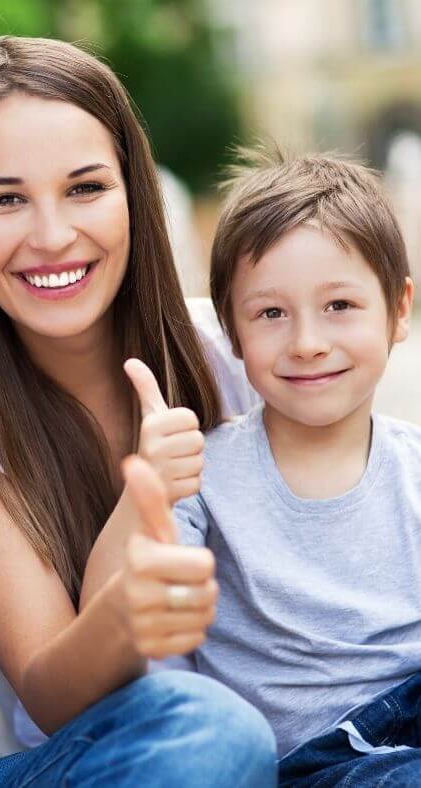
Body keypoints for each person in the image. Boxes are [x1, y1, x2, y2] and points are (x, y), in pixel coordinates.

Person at [0, 36, 275, 785]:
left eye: (86, 188)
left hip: (304, 741)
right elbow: (49, 696)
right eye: (4, 199)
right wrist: (127, 598)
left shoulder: (231, 352)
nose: (52, 236)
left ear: (136, 192)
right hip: (111, 760)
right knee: (212, 732)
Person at [167, 149, 421, 786]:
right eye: (271, 313)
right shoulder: (198, 473)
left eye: (339, 305)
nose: (308, 341)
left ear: (399, 310)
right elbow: (156, 655)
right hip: (308, 766)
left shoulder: (414, 467)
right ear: (230, 331)